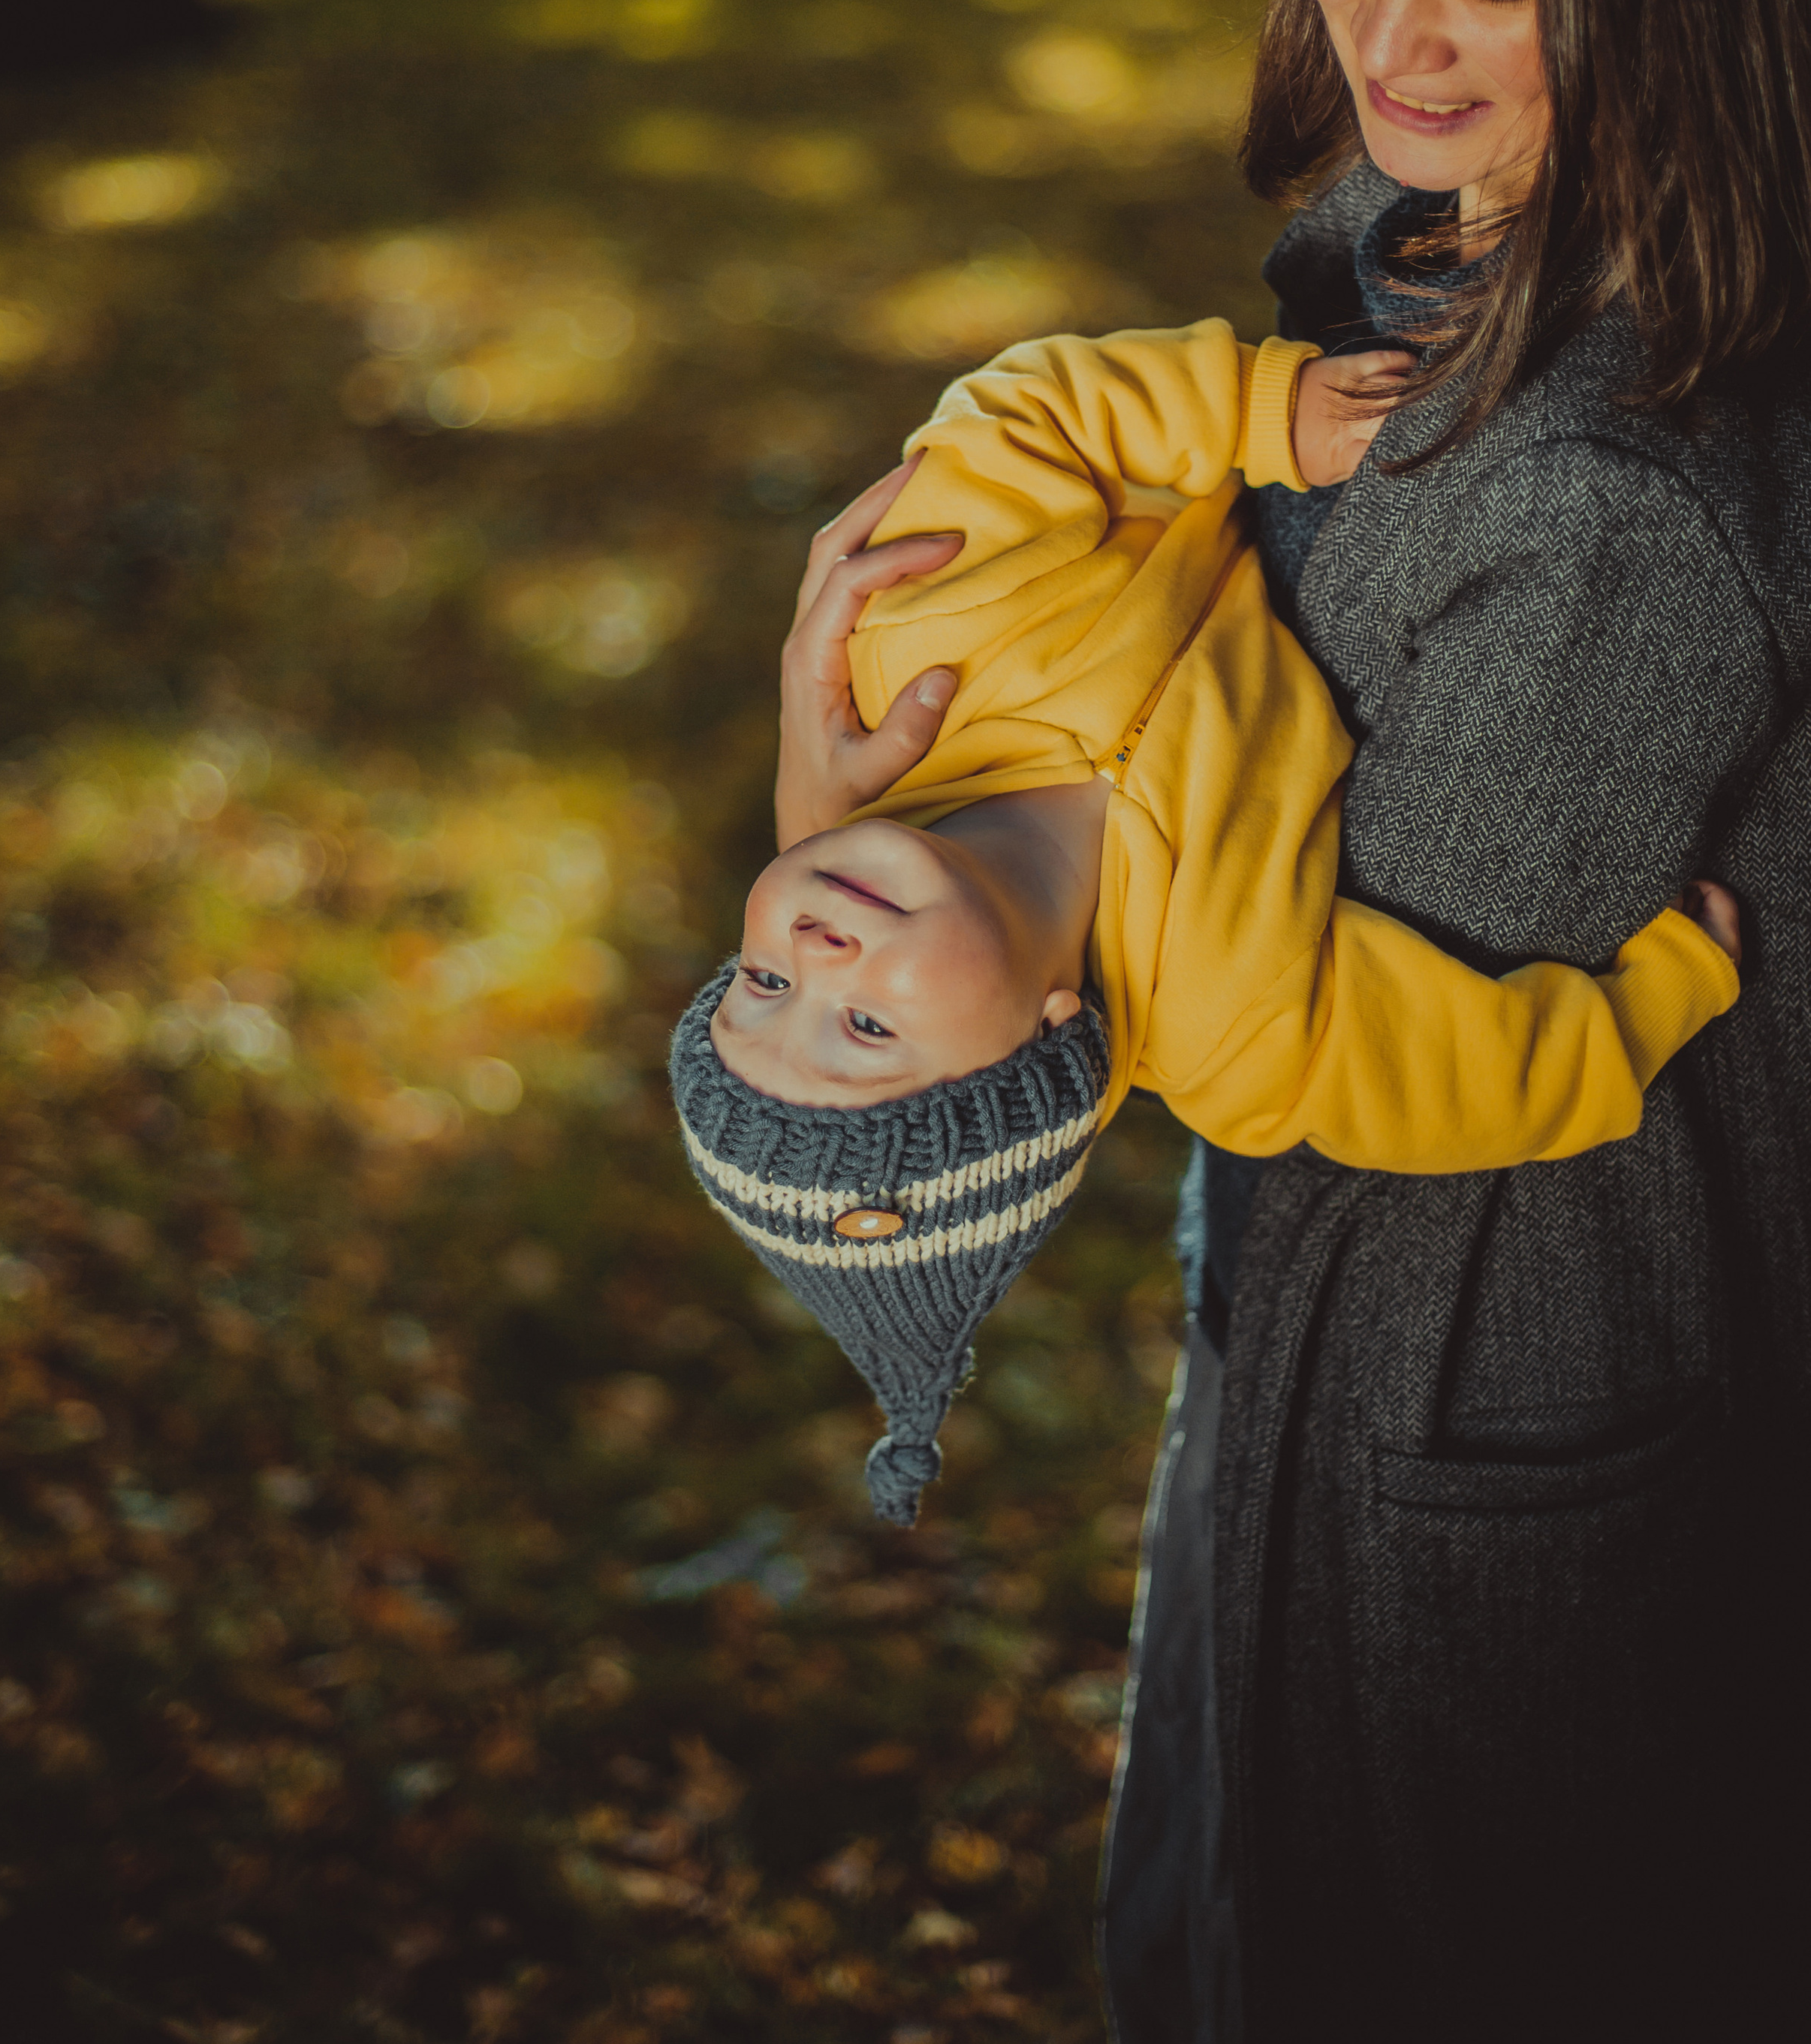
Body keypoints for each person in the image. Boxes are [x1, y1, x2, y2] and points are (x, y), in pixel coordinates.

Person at [1093, 0, 1811, 2044]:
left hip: (1502, 1476)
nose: (1390, 29)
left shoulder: (1627, 509)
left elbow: (1279, 999)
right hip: (1347, 1373)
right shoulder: (1463, 259)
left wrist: (931, 767)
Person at [669, 315, 1739, 1524]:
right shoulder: (1236, 1034)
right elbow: (1469, 1089)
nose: (814, 957)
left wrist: (1257, 415)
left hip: (1260, 481)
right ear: (1041, 1041)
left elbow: (1031, 410)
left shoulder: (912, 655)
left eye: (759, 986)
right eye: (864, 1030)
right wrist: (1668, 987)